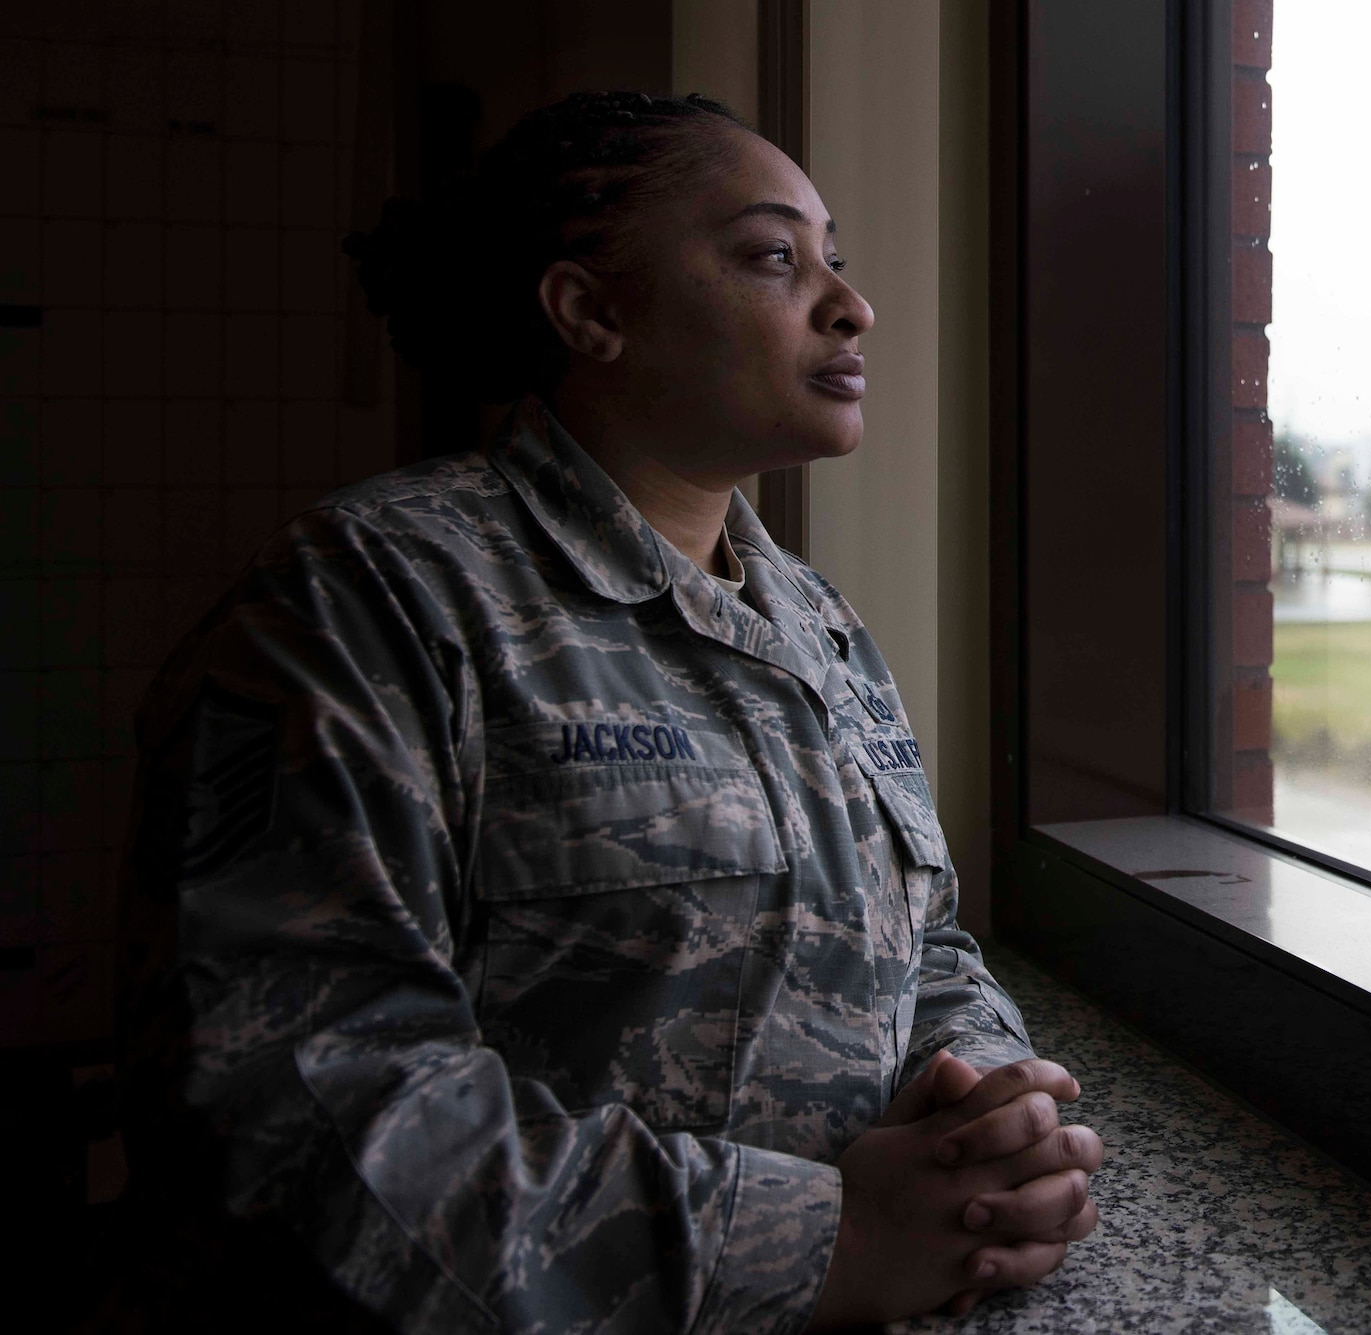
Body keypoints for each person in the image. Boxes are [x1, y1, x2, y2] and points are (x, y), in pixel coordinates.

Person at [113, 91, 1102, 1333]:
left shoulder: (819, 627)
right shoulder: (370, 600)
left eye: (834, 260)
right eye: (770, 258)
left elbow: (927, 945)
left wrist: (992, 1116)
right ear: (591, 312)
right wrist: (820, 1242)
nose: (848, 305)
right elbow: (298, 1106)